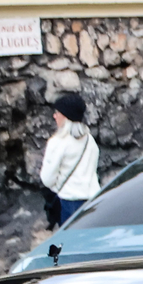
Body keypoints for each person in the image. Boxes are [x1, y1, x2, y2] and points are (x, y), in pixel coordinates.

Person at [40, 92, 101, 225]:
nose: (54, 116)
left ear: (66, 116)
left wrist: (58, 186)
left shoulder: (57, 142)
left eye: (57, 112)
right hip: (94, 200)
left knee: (71, 237)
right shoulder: (89, 140)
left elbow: (47, 179)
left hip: (70, 203)